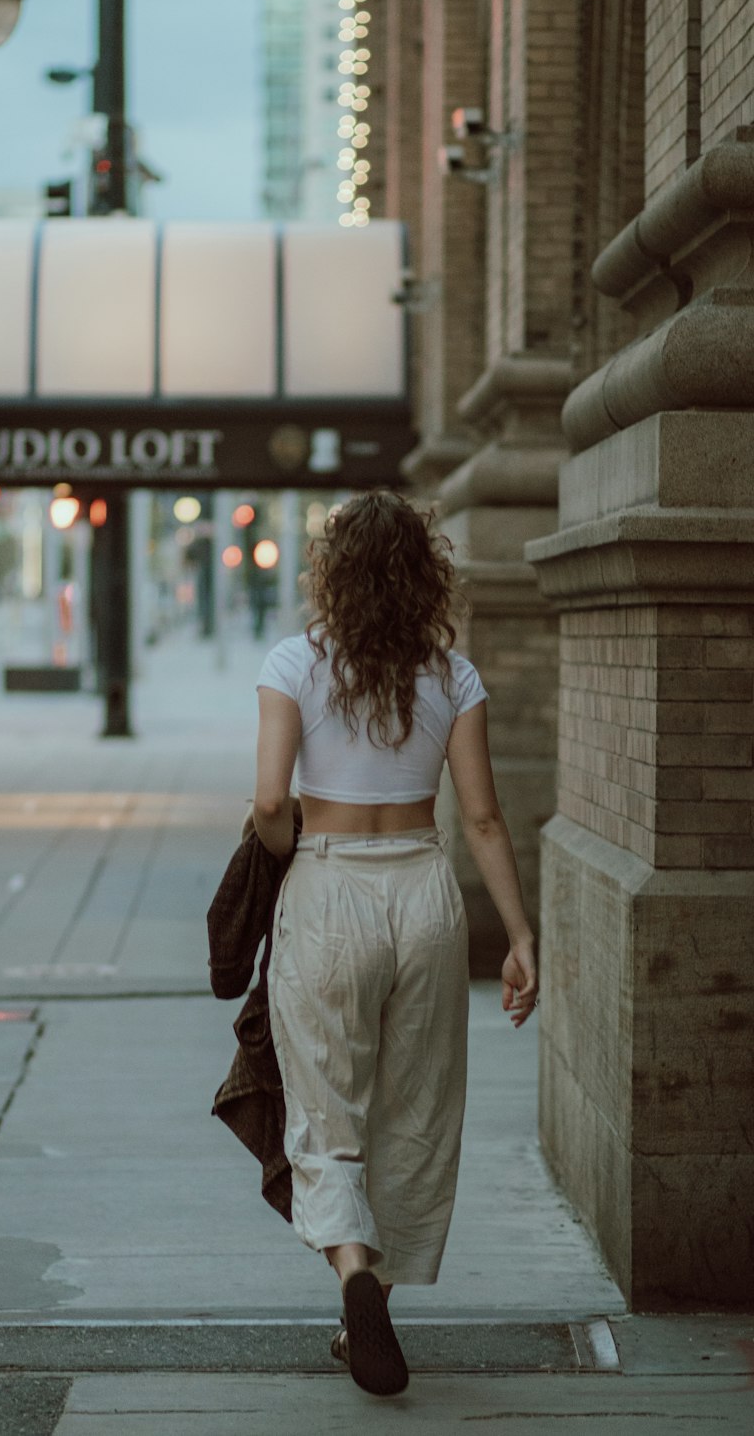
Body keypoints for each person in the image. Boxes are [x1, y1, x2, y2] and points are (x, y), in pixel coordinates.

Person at [252, 490, 538, 1399]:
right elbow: (485, 819)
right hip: (422, 890)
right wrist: (521, 938)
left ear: (332, 576)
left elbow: (268, 806)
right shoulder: (452, 678)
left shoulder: (293, 663)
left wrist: (274, 858)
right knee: (412, 1109)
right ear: (425, 574)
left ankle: (354, 1278)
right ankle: (376, 1299)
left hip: (330, 886)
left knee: (324, 1104)